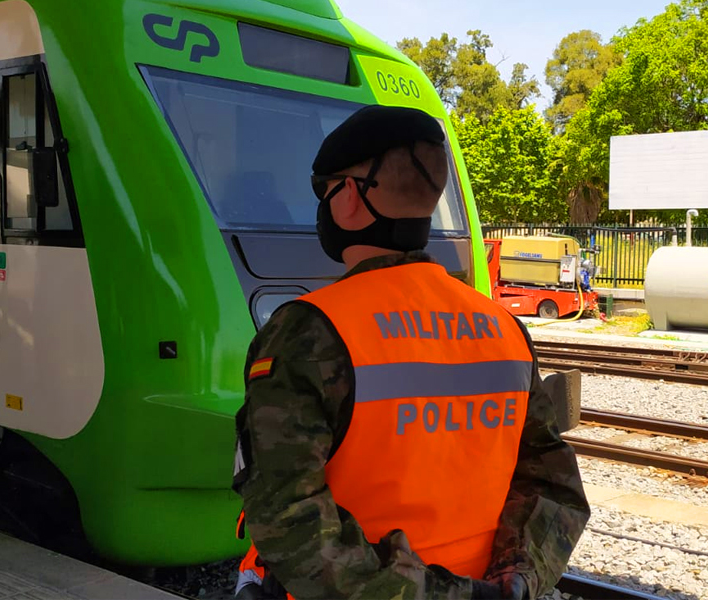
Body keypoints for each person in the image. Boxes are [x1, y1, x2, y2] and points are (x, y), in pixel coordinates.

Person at [232, 106, 590, 600]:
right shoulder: (503, 327)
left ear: (350, 198)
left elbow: (285, 511)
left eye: (325, 190)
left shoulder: (310, 330)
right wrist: (514, 582)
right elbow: (553, 485)